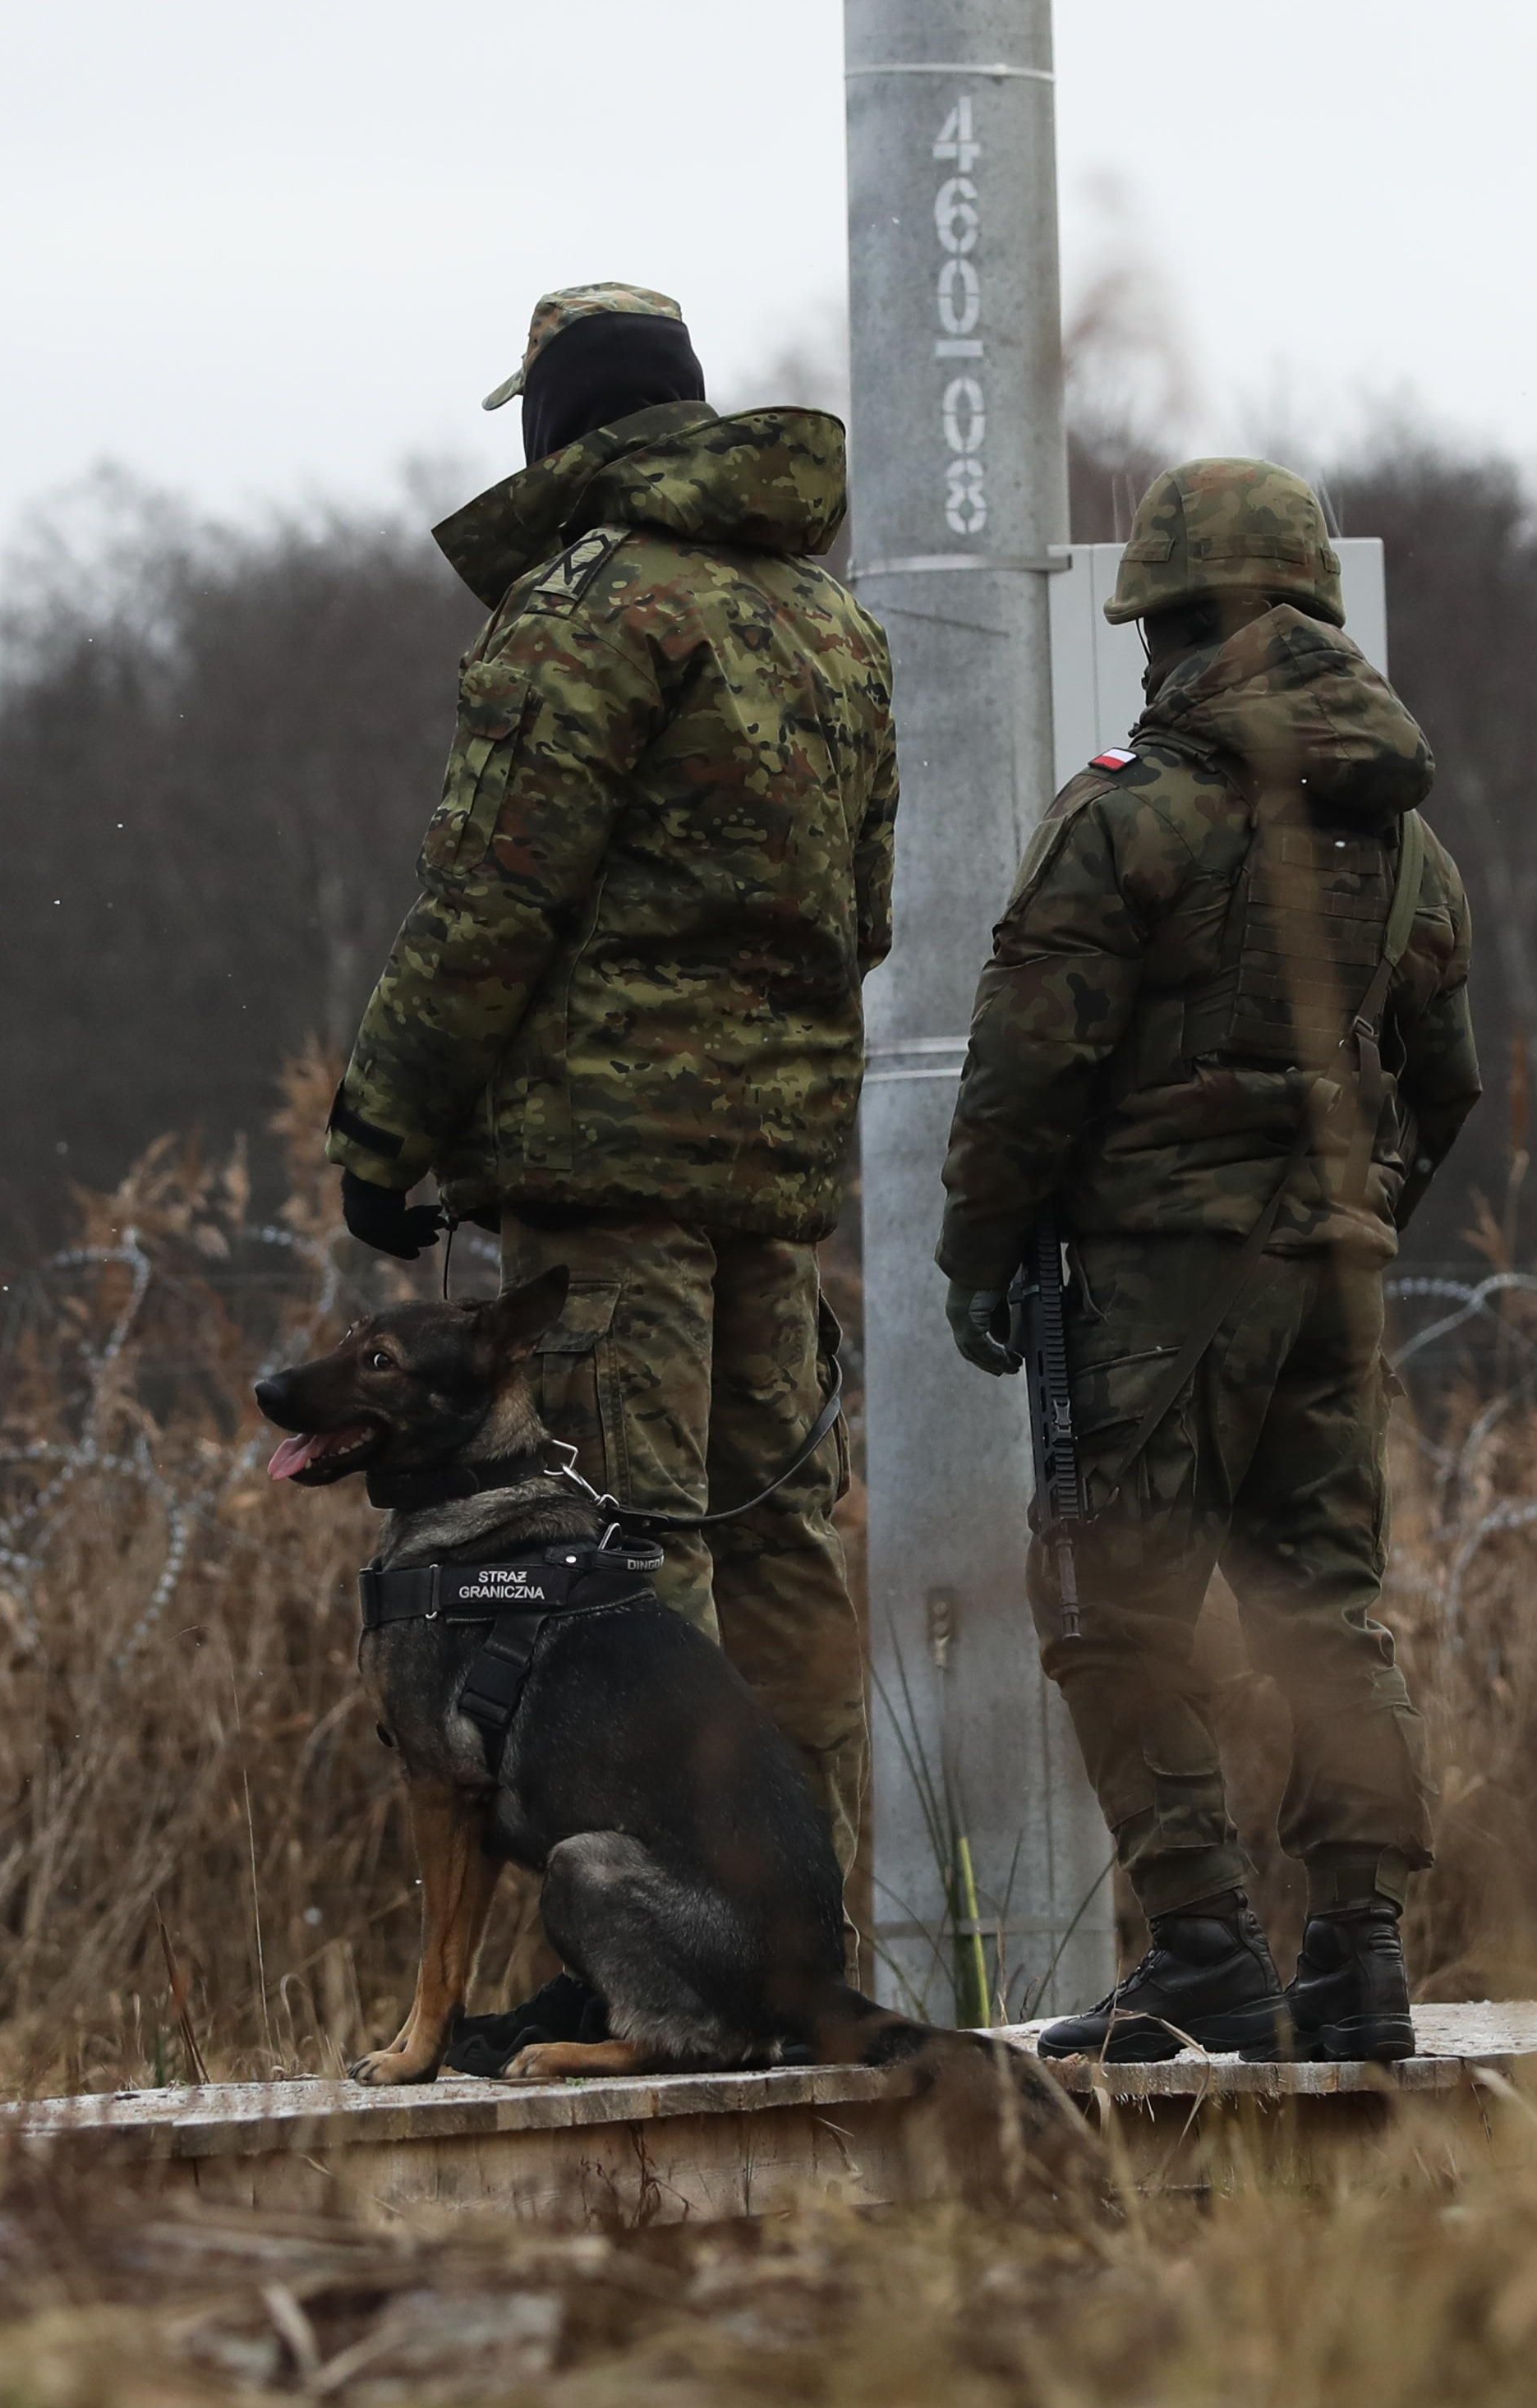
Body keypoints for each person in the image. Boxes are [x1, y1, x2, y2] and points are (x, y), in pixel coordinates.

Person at [327, 284, 894, 1850]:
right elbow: (867, 911)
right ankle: (804, 1940)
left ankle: (681, 1947)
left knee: (630, 1552)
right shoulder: (829, 619)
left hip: (604, 1176)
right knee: (778, 1543)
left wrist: (387, 1123)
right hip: (770, 1178)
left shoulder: (587, 606)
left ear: (554, 417)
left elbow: (493, 900)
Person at [935, 457, 1479, 2063]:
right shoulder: (1403, 842)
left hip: (1155, 1280)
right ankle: (1359, 1963)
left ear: (1164, 625)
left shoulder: (1127, 808)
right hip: (1331, 1277)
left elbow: (1029, 1056)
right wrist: (1343, 1201)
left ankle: (1203, 1947)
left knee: (1110, 1596)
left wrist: (978, 1252)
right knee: (1324, 1610)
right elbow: (1439, 1080)